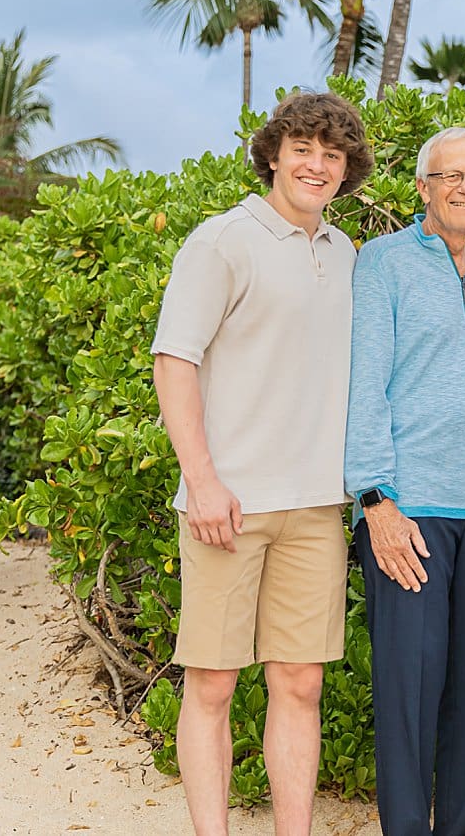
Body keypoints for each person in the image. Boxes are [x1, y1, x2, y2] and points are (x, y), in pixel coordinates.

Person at [151, 91, 372, 836]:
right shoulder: (221, 241)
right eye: (304, 149)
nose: (317, 165)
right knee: (212, 683)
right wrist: (205, 482)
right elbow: (174, 362)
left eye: (332, 155)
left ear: (347, 171)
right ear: (274, 153)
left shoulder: (343, 252)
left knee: (300, 683)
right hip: (229, 504)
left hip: (316, 504)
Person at [344, 126, 465, 836]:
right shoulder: (382, 264)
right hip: (409, 511)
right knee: (409, 698)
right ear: (422, 188)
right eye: (451, 175)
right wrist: (375, 499)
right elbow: (366, 385)